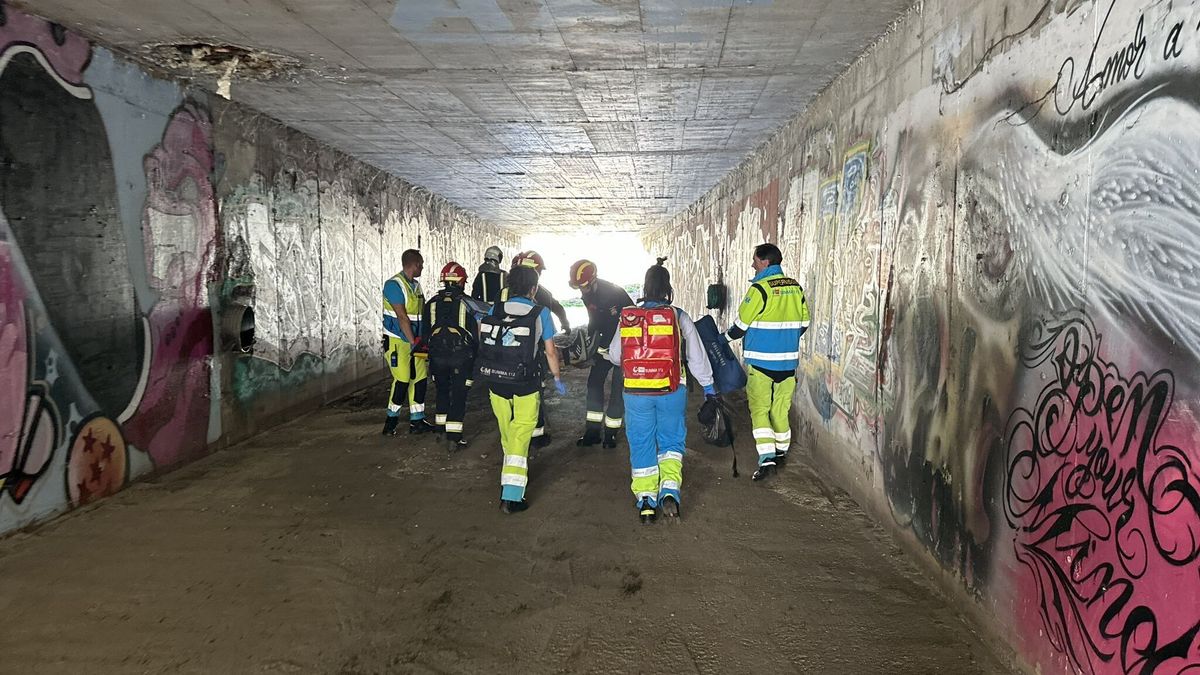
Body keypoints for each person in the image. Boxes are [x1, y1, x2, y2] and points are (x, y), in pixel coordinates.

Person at [606, 261, 715, 524]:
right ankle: (669, 491)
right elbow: (696, 356)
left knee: (642, 441)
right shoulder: (678, 316)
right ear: (668, 288)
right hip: (672, 388)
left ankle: (645, 500)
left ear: (645, 286)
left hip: (635, 391)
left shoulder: (629, 316)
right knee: (671, 442)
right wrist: (709, 388)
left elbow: (615, 355)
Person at [477, 265, 567, 514]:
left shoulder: (495, 308)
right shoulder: (541, 312)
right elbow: (550, 351)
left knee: (508, 431)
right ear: (534, 288)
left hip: (496, 380)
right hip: (525, 382)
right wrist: (557, 377)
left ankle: (511, 470)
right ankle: (512, 495)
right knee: (521, 431)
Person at [725, 243, 810, 480]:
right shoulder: (795, 288)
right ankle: (781, 452)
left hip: (761, 363)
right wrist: (785, 340)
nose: (752, 265)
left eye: (755, 260)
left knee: (760, 410)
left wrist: (722, 339)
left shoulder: (759, 289)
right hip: (788, 363)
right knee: (780, 410)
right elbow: (804, 323)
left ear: (765, 262)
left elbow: (740, 326)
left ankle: (767, 459)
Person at [569, 259, 633, 448]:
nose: (582, 291)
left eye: (584, 286)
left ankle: (611, 434)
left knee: (617, 390)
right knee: (594, 384)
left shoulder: (614, 293)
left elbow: (630, 321)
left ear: (594, 279)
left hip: (623, 348)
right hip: (602, 348)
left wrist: (617, 347)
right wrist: (588, 347)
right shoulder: (588, 293)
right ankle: (592, 431)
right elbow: (594, 321)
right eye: (579, 287)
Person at [508, 250, 569, 447]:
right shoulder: (539, 293)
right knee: (535, 392)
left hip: (504, 353)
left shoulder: (503, 292)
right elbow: (555, 310)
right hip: (531, 355)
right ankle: (536, 435)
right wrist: (557, 374)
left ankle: (514, 429)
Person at [422, 262, 478, 451]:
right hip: (462, 357)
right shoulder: (468, 304)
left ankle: (440, 429)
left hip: (437, 357)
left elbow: (424, 334)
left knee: (442, 390)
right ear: (462, 281)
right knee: (460, 394)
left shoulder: (431, 303)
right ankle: (454, 437)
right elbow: (476, 336)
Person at [382, 249, 435, 435]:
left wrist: (422, 340)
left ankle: (417, 420)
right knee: (403, 379)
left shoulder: (416, 286)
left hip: (416, 341)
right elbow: (402, 317)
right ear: (415, 264)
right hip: (398, 341)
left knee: (419, 379)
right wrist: (414, 342)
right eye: (421, 264)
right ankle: (391, 421)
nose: (423, 267)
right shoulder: (394, 285)